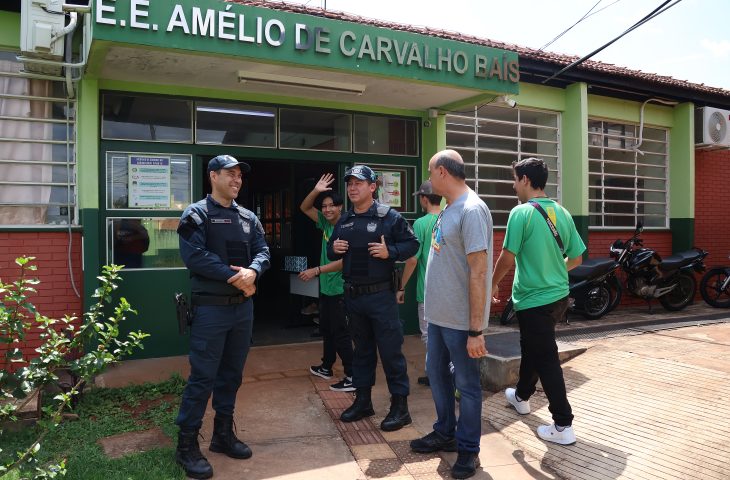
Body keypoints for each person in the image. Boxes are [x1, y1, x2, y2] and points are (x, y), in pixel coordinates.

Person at [174, 155, 271, 479]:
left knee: (231, 375)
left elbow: (263, 251)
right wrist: (239, 279)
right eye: (230, 174)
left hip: (242, 310)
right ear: (213, 176)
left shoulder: (248, 217)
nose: (237, 179)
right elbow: (195, 256)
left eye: (240, 175)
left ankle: (222, 435)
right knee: (202, 377)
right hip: (211, 310)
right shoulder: (196, 214)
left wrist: (253, 270)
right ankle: (186, 445)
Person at [409, 150, 492, 480]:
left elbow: (478, 271)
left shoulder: (472, 210)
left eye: (430, 172)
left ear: (442, 172)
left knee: (468, 385)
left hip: (461, 323)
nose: (428, 179)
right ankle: (445, 432)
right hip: (439, 318)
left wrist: (476, 330)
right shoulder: (448, 209)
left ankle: (468, 449)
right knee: (437, 374)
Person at [491, 157, 585, 446]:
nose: (513, 185)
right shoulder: (563, 213)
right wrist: (554, 271)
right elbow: (577, 257)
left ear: (526, 181)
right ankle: (521, 396)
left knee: (545, 357)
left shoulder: (521, 213)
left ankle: (562, 424)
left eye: (515, 179)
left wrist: (492, 283)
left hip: (534, 300)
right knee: (532, 347)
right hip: (558, 297)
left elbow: (507, 257)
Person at [327, 165, 419, 431]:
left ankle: (400, 408)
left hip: (381, 297)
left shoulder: (388, 217)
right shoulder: (344, 220)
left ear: (372, 187)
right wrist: (333, 248)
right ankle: (363, 401)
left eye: (359, 183)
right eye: (350, 183)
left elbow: (412, 245)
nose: (353, 188)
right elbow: (331, 252)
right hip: (354, 297)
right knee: (362, 352)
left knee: (391, 353)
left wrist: (389, 251)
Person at [298, 173, 355, 392]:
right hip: (327, 288)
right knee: (328, 330)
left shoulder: (347, 227)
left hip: (341, 288)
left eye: (332, 205)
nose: (328, 209)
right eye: (324, 206)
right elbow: (304, 207)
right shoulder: (324, 223)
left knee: (341, 333)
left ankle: (352, 375)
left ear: (341, 207)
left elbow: (343, 262)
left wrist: (316, 270)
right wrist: (317, 191)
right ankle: (326, 366)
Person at [397, 180, 442, 386]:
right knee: (443, 334)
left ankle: (437, 374)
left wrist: (401, 285)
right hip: (447, 290)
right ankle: (433, 371)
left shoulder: (421, 224)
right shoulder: (447, 218)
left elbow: (413, 259)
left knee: (428, 336)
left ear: (424, 199)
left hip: (427, 290)